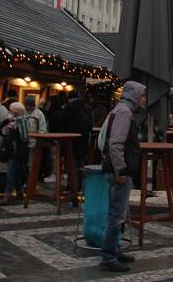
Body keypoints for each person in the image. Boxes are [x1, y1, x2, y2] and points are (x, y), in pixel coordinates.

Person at [100, 81, 145, 272]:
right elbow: (116, 143)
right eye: (142, 95)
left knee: (118, 213)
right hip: (118, 170)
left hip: (118, 169)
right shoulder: (125, 112)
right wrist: (121, 170)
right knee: (116, 215)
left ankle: (115, 250)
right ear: (134, 95)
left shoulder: (122, 110)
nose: (144, 99)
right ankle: (108, 257)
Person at [61, 91, 92, 192]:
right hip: (83, 140)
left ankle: (71, 186)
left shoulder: (68, 108)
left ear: (69, 98)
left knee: (71, 164)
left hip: (70, 141)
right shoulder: (87, 108)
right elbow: (90, 125)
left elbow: (62, 123)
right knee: (81, 164)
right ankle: (81, 186)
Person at [0, 102, 30, 205]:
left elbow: (25, 137)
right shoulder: (12, 121)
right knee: (15, 171)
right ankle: (19, 191)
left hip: (17, 150)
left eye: (11, 110)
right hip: (14, 149)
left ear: (16, 111)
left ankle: (7, 194)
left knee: (11, 171)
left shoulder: (21, 122)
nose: (9, 111)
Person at [24, 95, 47, 180]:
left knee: (32, 163)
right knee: (25, 163)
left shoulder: (39, 114)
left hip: (34, 143)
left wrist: (38, 139)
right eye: (26, 105)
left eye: (29, 105)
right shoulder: (23, 112)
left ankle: (31, 180)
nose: (28, 107)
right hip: (24, 142)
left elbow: (42, 129)